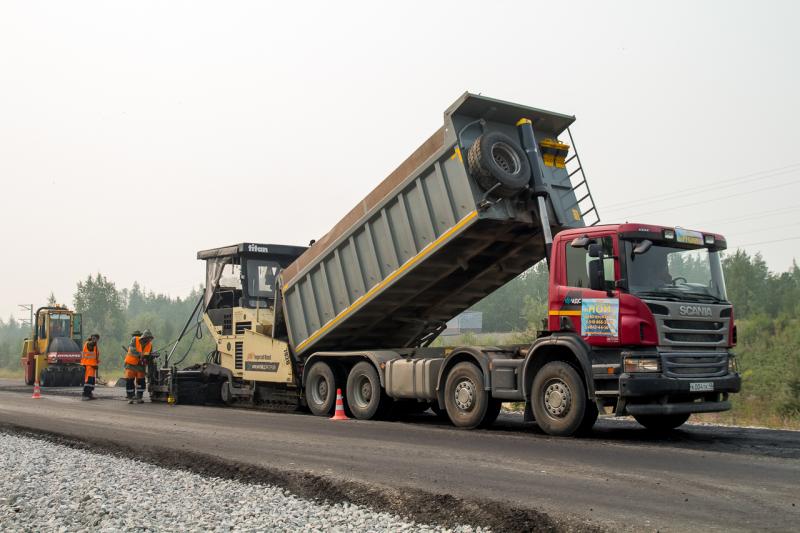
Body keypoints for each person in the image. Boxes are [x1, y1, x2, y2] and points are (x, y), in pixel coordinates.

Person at [124, 329, 153, 404]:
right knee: (129, 381)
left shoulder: (150, 345)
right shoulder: (135, 340)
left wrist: (150, 357)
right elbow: (131, 349)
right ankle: (130, 397)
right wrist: (140, 354)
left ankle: (139, 397)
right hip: (130, 364)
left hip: (141, 366)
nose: (148, 340)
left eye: (150, 339)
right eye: (147, 338)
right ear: (144, 337)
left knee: (141, 381)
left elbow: (148, 355)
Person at [80, 334, 100, 400]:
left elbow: (95, 356)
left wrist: (96, 364)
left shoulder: (93, 345)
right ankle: (85, 395)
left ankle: (89, 394)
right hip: (89, 364)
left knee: (91, 381)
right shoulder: (89, 343)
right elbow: (91, 344)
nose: (96, 340)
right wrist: (93, 340)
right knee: (88, 380)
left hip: (92, 365)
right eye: (95, 339)